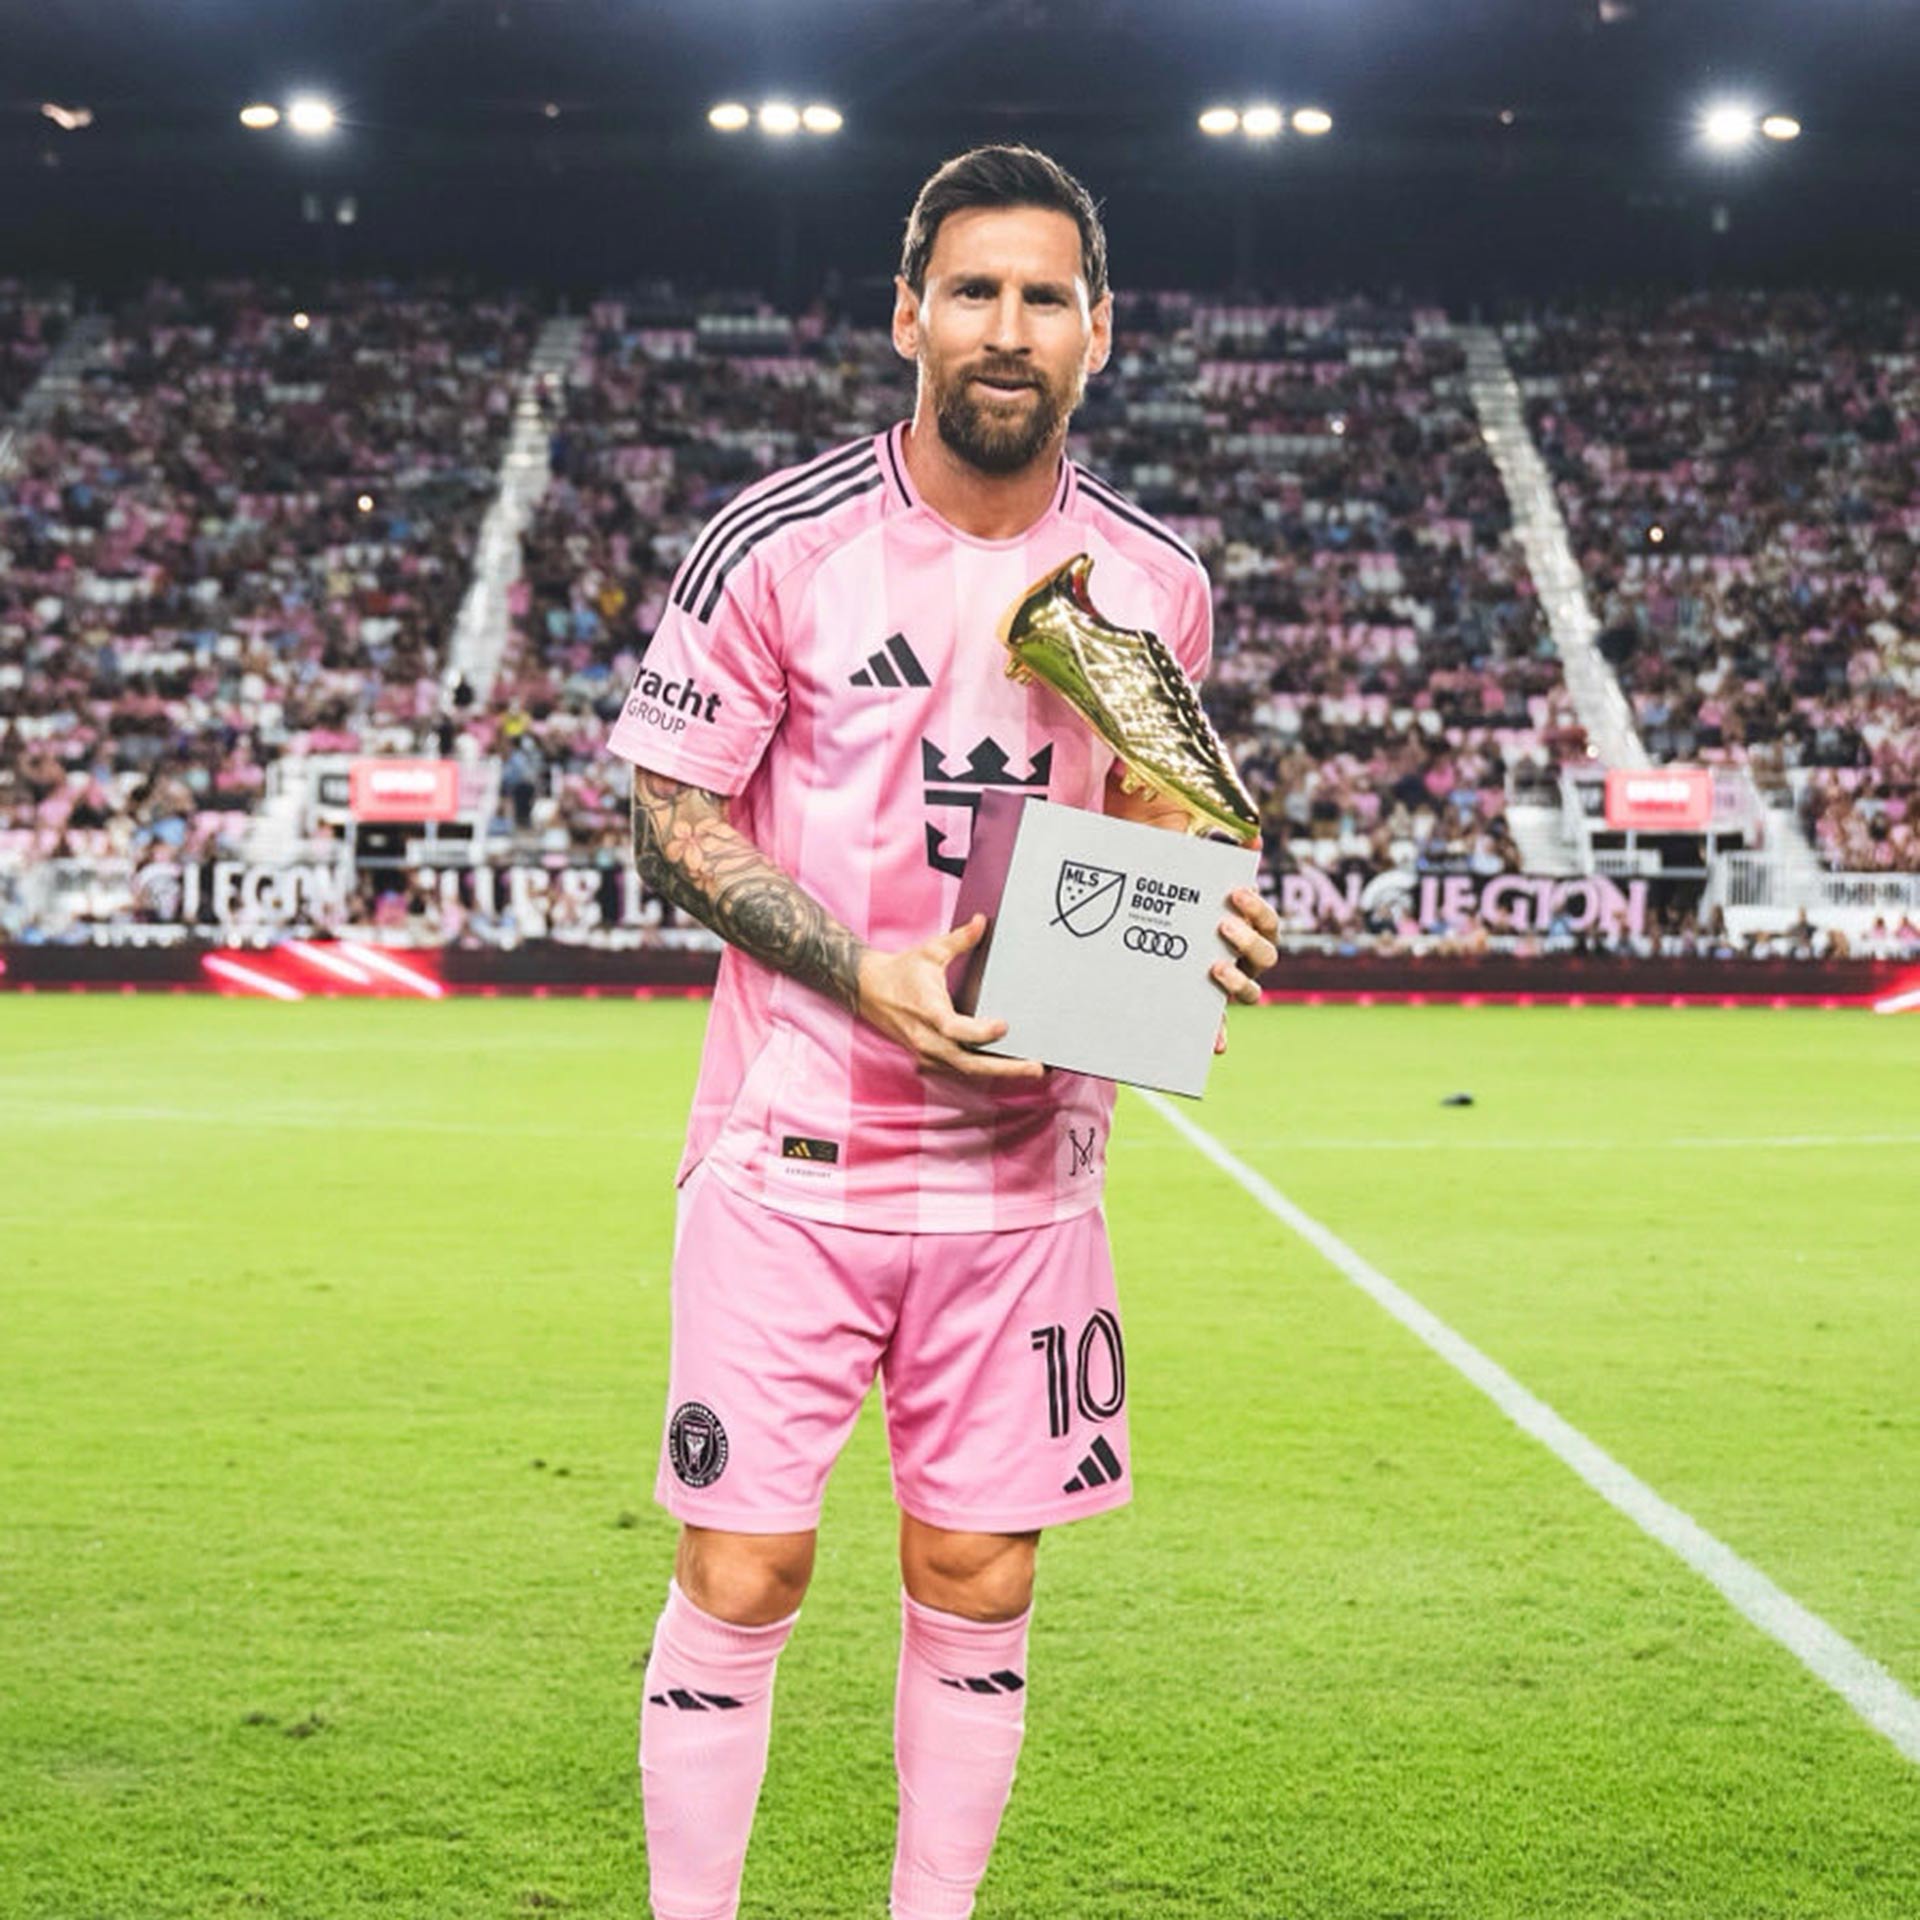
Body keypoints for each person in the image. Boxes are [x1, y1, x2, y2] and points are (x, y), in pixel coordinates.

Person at [606, 144, 1280, 1920]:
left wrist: (1192, 894)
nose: (1007, 327)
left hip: (1023, 1183)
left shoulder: (1156, 584)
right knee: (742, 1569)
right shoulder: (782, 541)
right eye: (973, 291)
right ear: (908, 315)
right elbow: (670, 810)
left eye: (1044, 296)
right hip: (792, 1154)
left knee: (979, 1571)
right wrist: (860, 967)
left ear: (1101, 335)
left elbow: (1148, 822)